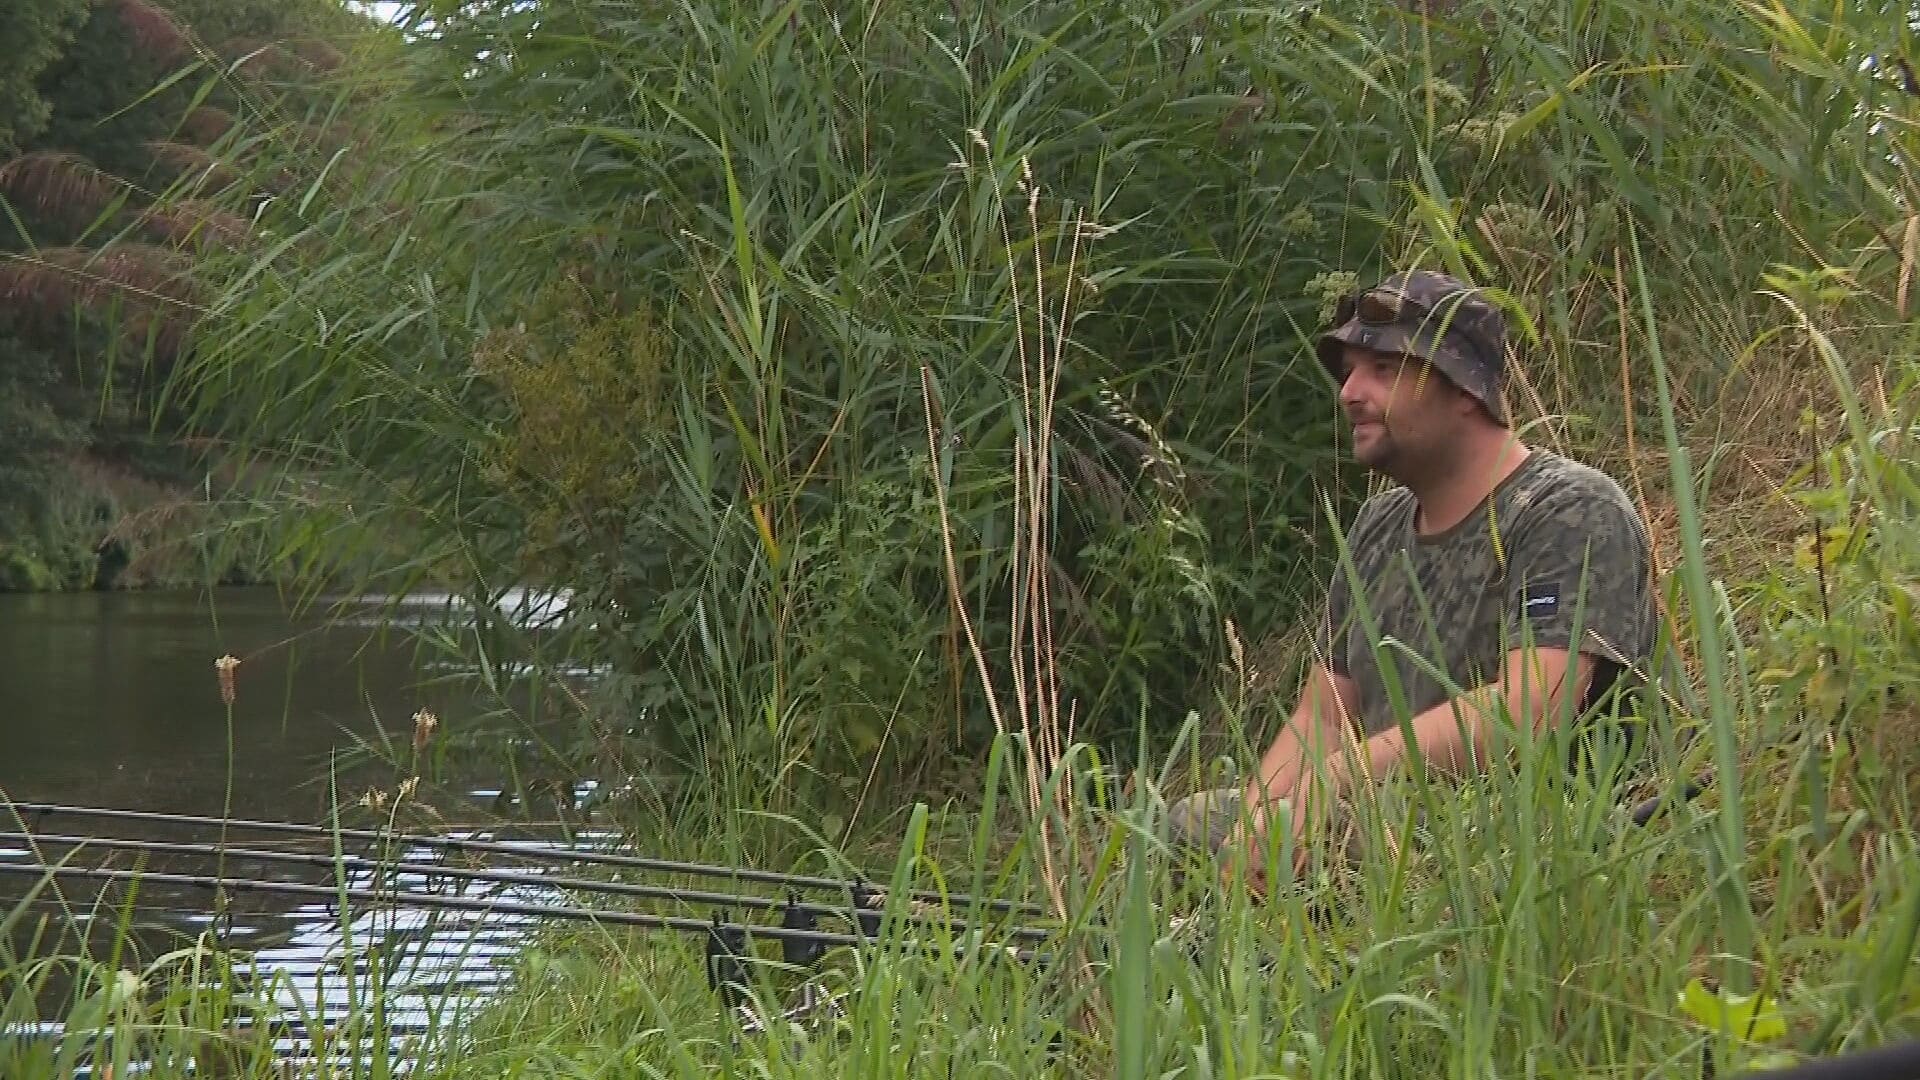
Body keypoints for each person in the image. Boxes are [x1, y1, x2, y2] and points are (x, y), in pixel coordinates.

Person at [1167, 268, 1660, 895]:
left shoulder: (1568, 509)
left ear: (1464, 389)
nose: (1349, 392)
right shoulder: (1378, 524)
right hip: (1369, 813)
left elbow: (1529, 710)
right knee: (1181, 825)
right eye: (1348, 371)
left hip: (1507, 842)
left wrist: (1337, 779)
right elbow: (1321, 717)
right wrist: (1262, 820)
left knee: (1308, 834)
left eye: (1383, 369)